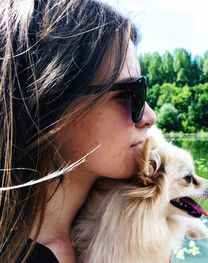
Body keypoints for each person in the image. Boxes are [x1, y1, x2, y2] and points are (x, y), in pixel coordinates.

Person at [0, 0, 157, 262]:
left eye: (144, 89)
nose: (150, 116)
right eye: (129, 94)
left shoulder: (133, 232)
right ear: (51, 102)